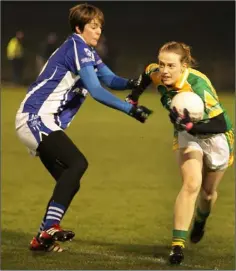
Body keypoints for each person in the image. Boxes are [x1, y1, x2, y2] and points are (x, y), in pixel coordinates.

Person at [15, 3, 152, 253]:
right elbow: (98, 90)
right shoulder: (76, 46)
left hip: (43, 120)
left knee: (70, 178)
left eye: (100, 26)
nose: (98, 31)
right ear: (79, 28)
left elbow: (109, 79)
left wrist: (137, 81)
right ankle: (51, 226)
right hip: (35, 116)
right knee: (77, 163)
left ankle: (42, 238)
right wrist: (129, 109)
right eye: (93, 26)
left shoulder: (87, 51)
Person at [126, 41, 234, 265]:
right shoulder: (158, 73)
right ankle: (177, 246)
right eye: (162, 64)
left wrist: (192, 127)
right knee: (191, 183)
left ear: (184, 66)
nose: (164, 70)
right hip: (188, 135)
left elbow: (221, 123)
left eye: (171, 66)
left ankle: (201, 219)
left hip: (215, 136)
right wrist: (134, 97)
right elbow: (147, 73)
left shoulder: (197, 86)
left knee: (207, 193)